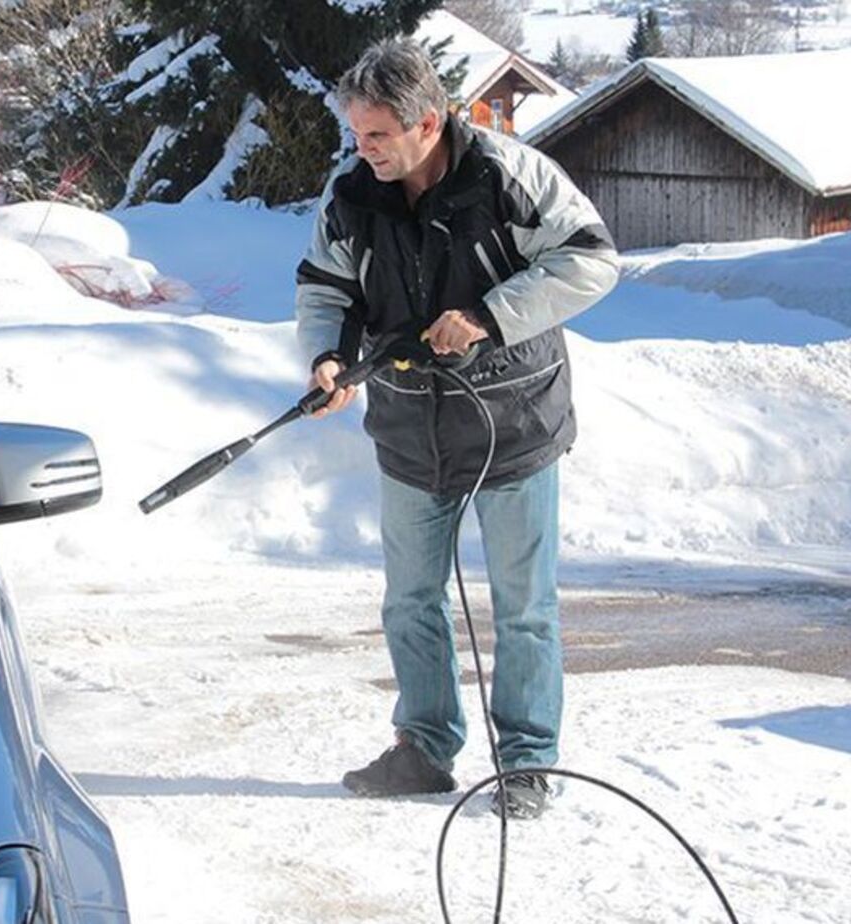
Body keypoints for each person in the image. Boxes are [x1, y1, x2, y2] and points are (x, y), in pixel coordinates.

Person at [295, 38, 619, 818]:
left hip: (514, 423)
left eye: (377, 135)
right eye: (357, 133)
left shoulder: (512, 178)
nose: (362, 149)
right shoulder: (353, 198)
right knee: (410, 599)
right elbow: (326, 288)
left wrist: (486, 317)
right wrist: (329, 361)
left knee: (524, 607)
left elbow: (592, 259)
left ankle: (528, 762)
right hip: (409, 428)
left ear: (428, 123)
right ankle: (425, 748)